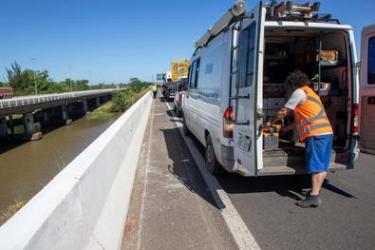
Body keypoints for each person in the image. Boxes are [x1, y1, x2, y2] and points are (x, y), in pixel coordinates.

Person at [275, 70, 333, 208]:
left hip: (316, 134)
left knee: (316, 166)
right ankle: (315, 193)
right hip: (326, 132)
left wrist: (270, 122)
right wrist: (285, 129)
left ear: (293, 84)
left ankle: (314, 196)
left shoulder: (299, 92)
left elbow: (284, 112)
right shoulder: (310, 93)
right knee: (322, 165)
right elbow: (303, 119)